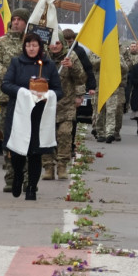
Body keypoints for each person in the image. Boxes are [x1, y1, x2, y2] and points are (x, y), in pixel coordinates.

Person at [1, 31, 61, 200]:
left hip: (39, 115)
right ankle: (18, 176)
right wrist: (23, 92)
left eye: (34, 45)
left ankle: (32, 187)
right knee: (18, 151)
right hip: (20, 113)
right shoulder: (16, 63)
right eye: (28, 45)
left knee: (35, 152)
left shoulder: (48, 65)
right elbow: (6, 85)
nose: (31, 48)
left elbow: (58, 90)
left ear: (40, 47)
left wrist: (47, 95)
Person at [0, 8, 29, 192]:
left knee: (28, 139)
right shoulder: (1, 42)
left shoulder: (30, 42)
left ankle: (27, 177)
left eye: (20, 19)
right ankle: (11, 177)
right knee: (9, 139)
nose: (16, 22)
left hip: (28, 99)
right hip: (7, 98)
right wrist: (10, 76)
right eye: (14, 19)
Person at [44, 38, 86, 180]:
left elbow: (81, 78)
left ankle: (62, 166)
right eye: (52, 43)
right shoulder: (44, 56)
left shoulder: (71, 56)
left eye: (58, 43)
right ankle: (48, 166)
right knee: (46, 136)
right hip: (46, 104)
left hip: (66, 103)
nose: (54, 47)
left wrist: (72, 67)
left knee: (64, 134)